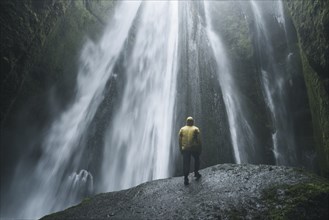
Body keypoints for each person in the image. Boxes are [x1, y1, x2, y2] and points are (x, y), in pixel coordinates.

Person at [178, 116, 202, 185]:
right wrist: (200, 149)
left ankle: (186, 178)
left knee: (186, 163)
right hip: (194, 148)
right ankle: (196, 173)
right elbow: (199, 140)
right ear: (193, 122)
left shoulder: (182, 129)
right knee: (197, 160)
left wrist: (181, 149)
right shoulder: (196, 129)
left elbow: (179, 140)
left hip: (185, 149)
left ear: (186, 122)